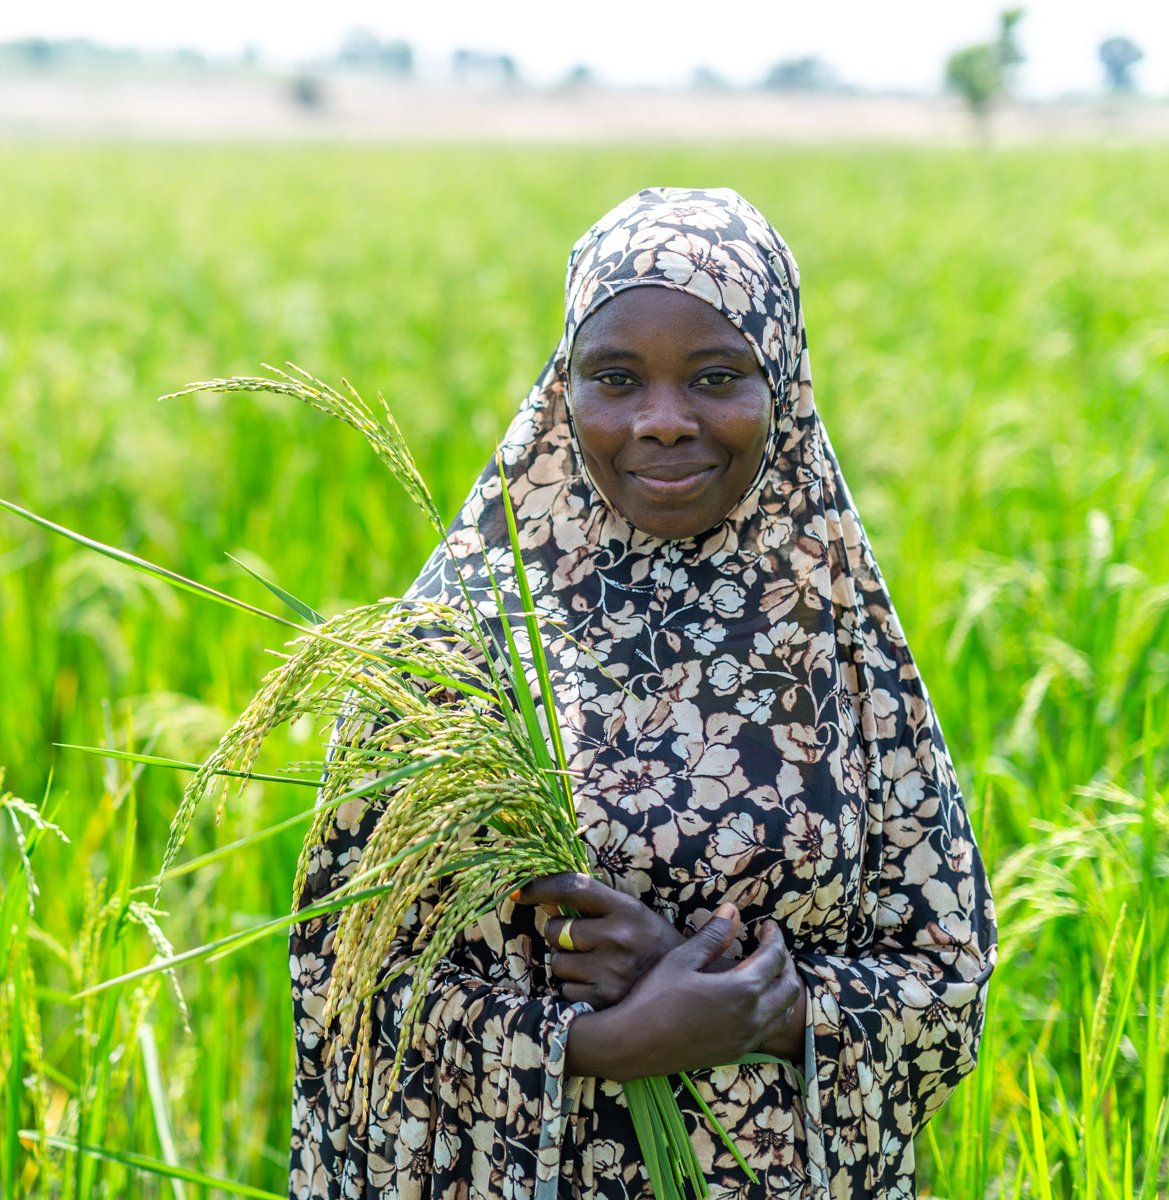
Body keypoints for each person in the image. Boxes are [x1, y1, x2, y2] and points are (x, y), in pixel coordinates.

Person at [287, 187, 997, 1199]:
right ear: (560, 388)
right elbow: (345, 992)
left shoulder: (836, 639)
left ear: (783, 390)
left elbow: (948, 972)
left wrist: (758, 1005)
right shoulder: (452, 654)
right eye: (616, 378)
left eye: (716, 377)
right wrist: (601, 1046)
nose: (664, 423)